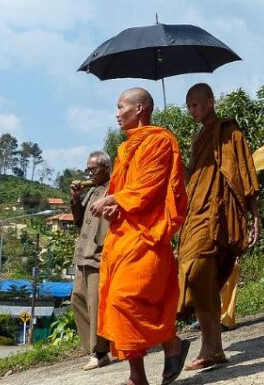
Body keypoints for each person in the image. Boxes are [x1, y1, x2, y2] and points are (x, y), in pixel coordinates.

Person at [90, 87, 189, 385]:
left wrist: (115, 200)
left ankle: (171, 342)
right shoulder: (124, 149)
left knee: (125, 299)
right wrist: (114, 208)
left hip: (149, 234)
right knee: (115, 303)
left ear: (140, 109)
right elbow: (123, 192)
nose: (117, 113)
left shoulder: (159, 141)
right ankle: (137, 376)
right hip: (124, 235)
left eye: (121, 107)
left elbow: (150, 186)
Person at [178, 83, 260, 371]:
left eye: (196, 105)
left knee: (203, 274)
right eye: (188, 106)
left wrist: (255, 218)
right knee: (197, 274)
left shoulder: (230, 133)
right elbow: (193, 180)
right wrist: (177, 161)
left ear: (211, 101)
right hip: (198, 212)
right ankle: (213, 347)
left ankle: (211, 347)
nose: (192, 111)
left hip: (223, 214)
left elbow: (246, 175)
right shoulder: (198, 138)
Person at [69, 150, 111, 371]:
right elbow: (78, 220)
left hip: (99, 253)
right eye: (88, 170)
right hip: (83, 254)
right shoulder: (92, 191)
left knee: (96, 303)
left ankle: (100, 351)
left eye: (93, 169)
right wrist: (76, 198)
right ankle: (92, 347)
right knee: (78, 298)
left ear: (105, 168)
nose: (89, 173)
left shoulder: (113, 189)